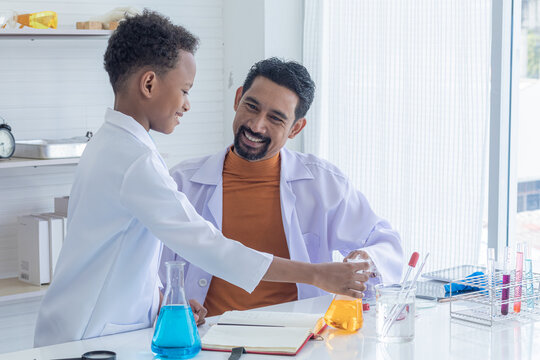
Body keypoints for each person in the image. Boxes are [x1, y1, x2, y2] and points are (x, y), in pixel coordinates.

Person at [33, 11, 369, 347]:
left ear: (296, 128)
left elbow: (117, 253)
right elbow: (211, 247)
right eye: (184, 90)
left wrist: (162, 305)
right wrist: (318, 274)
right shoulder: (136, 160)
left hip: (84, 328)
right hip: (89, 338)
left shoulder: (110, 143)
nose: (187, 104)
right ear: (149, 84)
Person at [160, 58, 404, 317]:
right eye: (251, 107)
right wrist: (169, 302)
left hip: (299, 338)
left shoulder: (323, 183)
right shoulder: (182, 183)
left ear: (295, 128)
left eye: (275, 119)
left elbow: (386, 242)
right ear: (237, 99)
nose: (256, 125)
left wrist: (367, 259)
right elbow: (150, 273)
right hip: (208, 339)